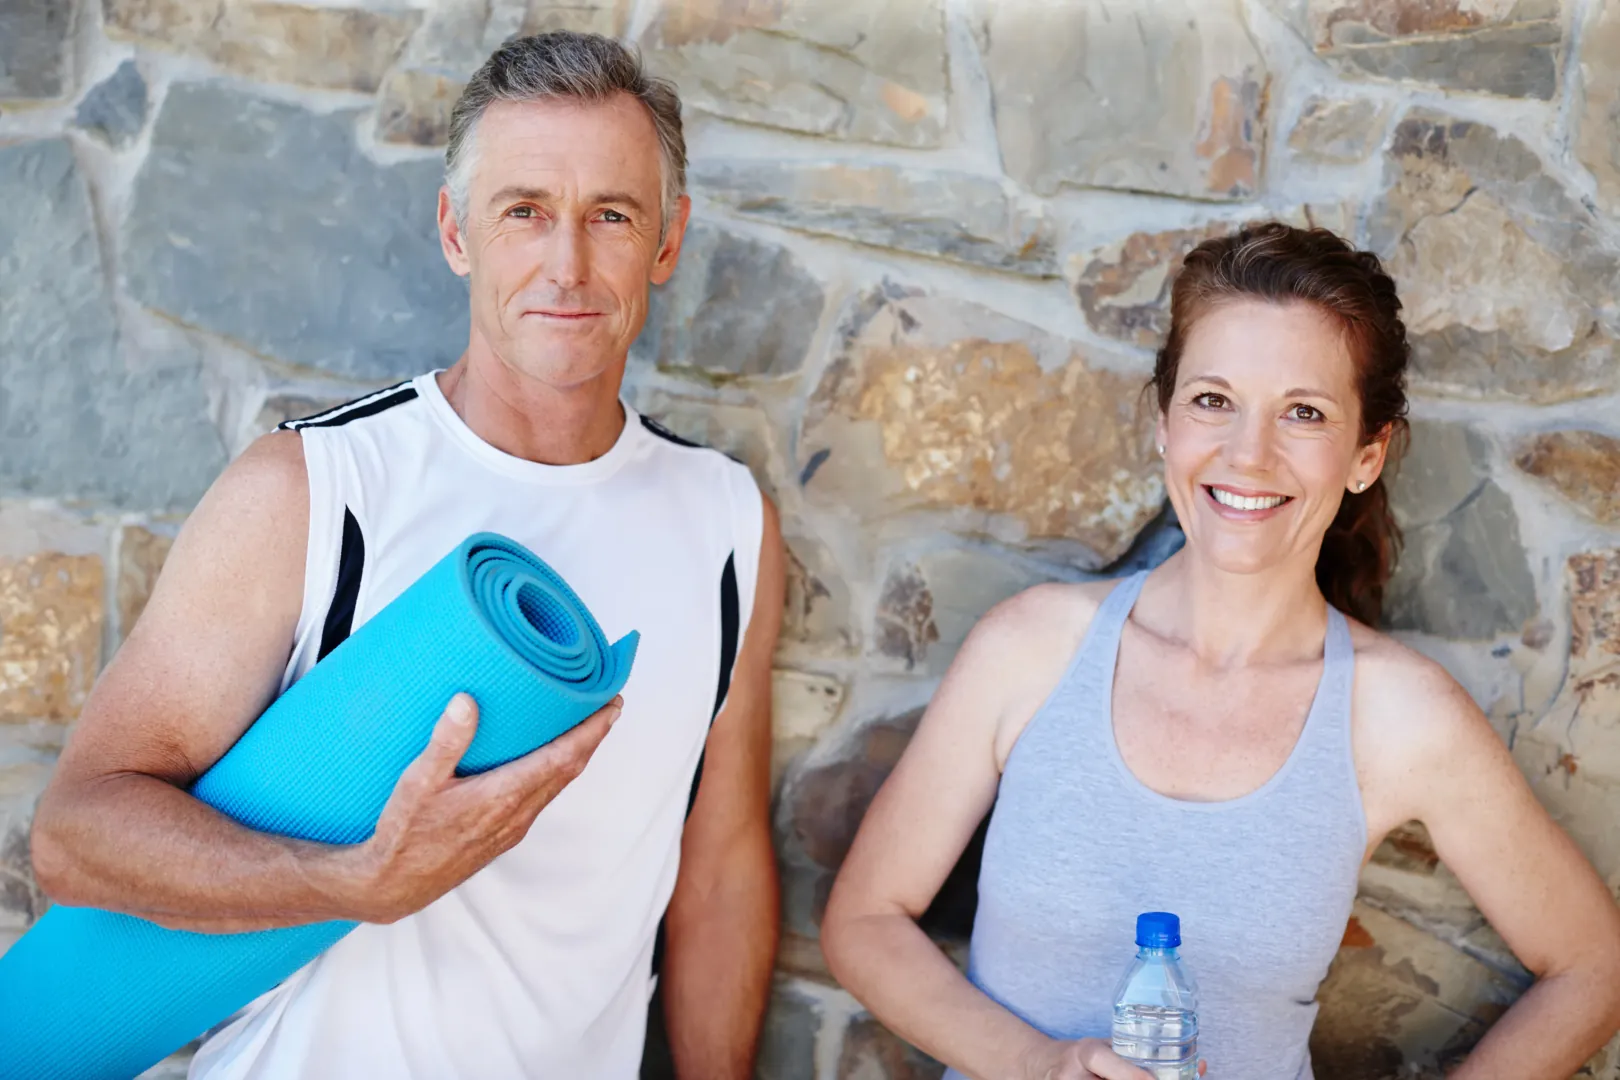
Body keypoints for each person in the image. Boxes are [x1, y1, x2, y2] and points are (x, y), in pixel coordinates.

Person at [28, 31, 783, 1080]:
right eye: (524, 211)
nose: (567, 264)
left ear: (667, 241)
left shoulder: (728, 522)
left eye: (610, 216)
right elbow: (74, 836)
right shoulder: (314, 491)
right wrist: (350, 882)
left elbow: (720, 867)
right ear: (455, 230)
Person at [820, 223, 1620, 1080]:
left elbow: (1592, 968)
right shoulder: (1031, 648)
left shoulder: (1397, 715)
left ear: (1366, 455)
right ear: (1164, 419)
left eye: (1303, 413)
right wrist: (1036, 1063)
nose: (1248, 453)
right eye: (1213, 400)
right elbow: (865, 921)